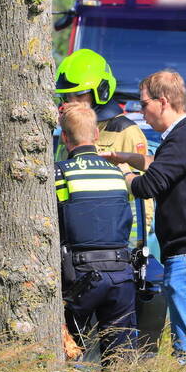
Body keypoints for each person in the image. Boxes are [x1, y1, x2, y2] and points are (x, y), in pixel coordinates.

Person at [101, 70, 186, 372]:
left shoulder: (183, 138)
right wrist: (126, 156)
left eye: (144, 104)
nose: (140, 112)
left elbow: (149, 185)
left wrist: (120, 174)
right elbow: (162, 165)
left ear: (162, 101)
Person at [55, 106, 138, 365]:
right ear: (95, 134)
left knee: (69, 352)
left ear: (65, 138)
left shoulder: (61, 173)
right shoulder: (116, 173)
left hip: (79, 277)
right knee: (121, 358)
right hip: (121, 273)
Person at [55, 48, 153, 239]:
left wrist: (132, 247)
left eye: (78, 95)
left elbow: (142, 203)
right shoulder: (66, 131)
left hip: (114, 240)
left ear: (101, 90)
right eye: (67, 96)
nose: (71, 102)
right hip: (73, 234)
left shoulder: (126, 131)